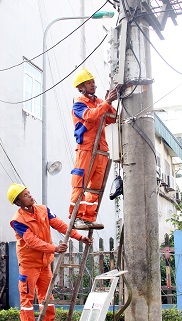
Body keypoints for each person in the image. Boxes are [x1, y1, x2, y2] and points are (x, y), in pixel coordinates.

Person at [7, 183, 93, 321]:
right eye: (25, 195)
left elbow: (60, 225)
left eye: (29, 192)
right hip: (28, 264)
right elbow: (31, 241)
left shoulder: (43, 209)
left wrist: (80, 237)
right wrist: (54, 248)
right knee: (27, 296)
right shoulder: (17, 221)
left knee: (46, 295)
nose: (30, 196)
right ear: (18, 202)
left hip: (45, 262)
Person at [69, 68, 118, 230]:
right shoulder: (79, 103)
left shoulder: (99, 102)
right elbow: (90, 116)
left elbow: (112, 118)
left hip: (101, 149)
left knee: (96, 187)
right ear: (80, 87)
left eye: (93, 82)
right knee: (80, 184)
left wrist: (107, 103)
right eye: (89, 83)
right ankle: (76, 218)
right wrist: (106, 103)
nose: (93, 85)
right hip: (86, 148)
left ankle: (88, 218)